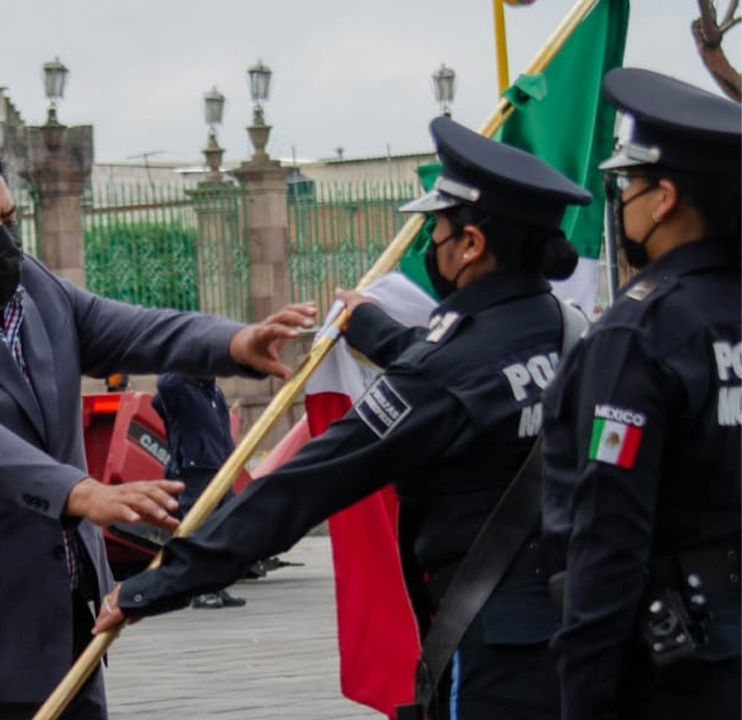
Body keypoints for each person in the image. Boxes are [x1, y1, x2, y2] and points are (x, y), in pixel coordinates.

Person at [95, 117, 593, 720]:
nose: (427, 243)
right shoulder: (575, 334)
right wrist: (372, 326)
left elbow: (303, 485)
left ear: (470, 246)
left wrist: (156, 585)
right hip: (582, 619)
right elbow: (461, 373)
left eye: (435, 229)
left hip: (495, 645)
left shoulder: (446, 370)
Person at [0, 131, 317, 720]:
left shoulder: (33, 289)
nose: (3, 242)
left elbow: (133, 329)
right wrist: (82, 492)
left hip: (64, 639)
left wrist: (236, 341)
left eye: (8, 220)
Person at [541, 68, 741, 720]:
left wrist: (584, 698)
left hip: (678, 669)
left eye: (629, 182)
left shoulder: (641, 328)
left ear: (665, 198)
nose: (621, 198)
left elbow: (609, 535)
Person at [152, 373, 245, 609]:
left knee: (220, 529)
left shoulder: (214, 390)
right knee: (197, 530)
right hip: (195, 468)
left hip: (220, 467)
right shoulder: (180, 387)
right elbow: (164, 385)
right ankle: (200, 590)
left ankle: (216, 585)